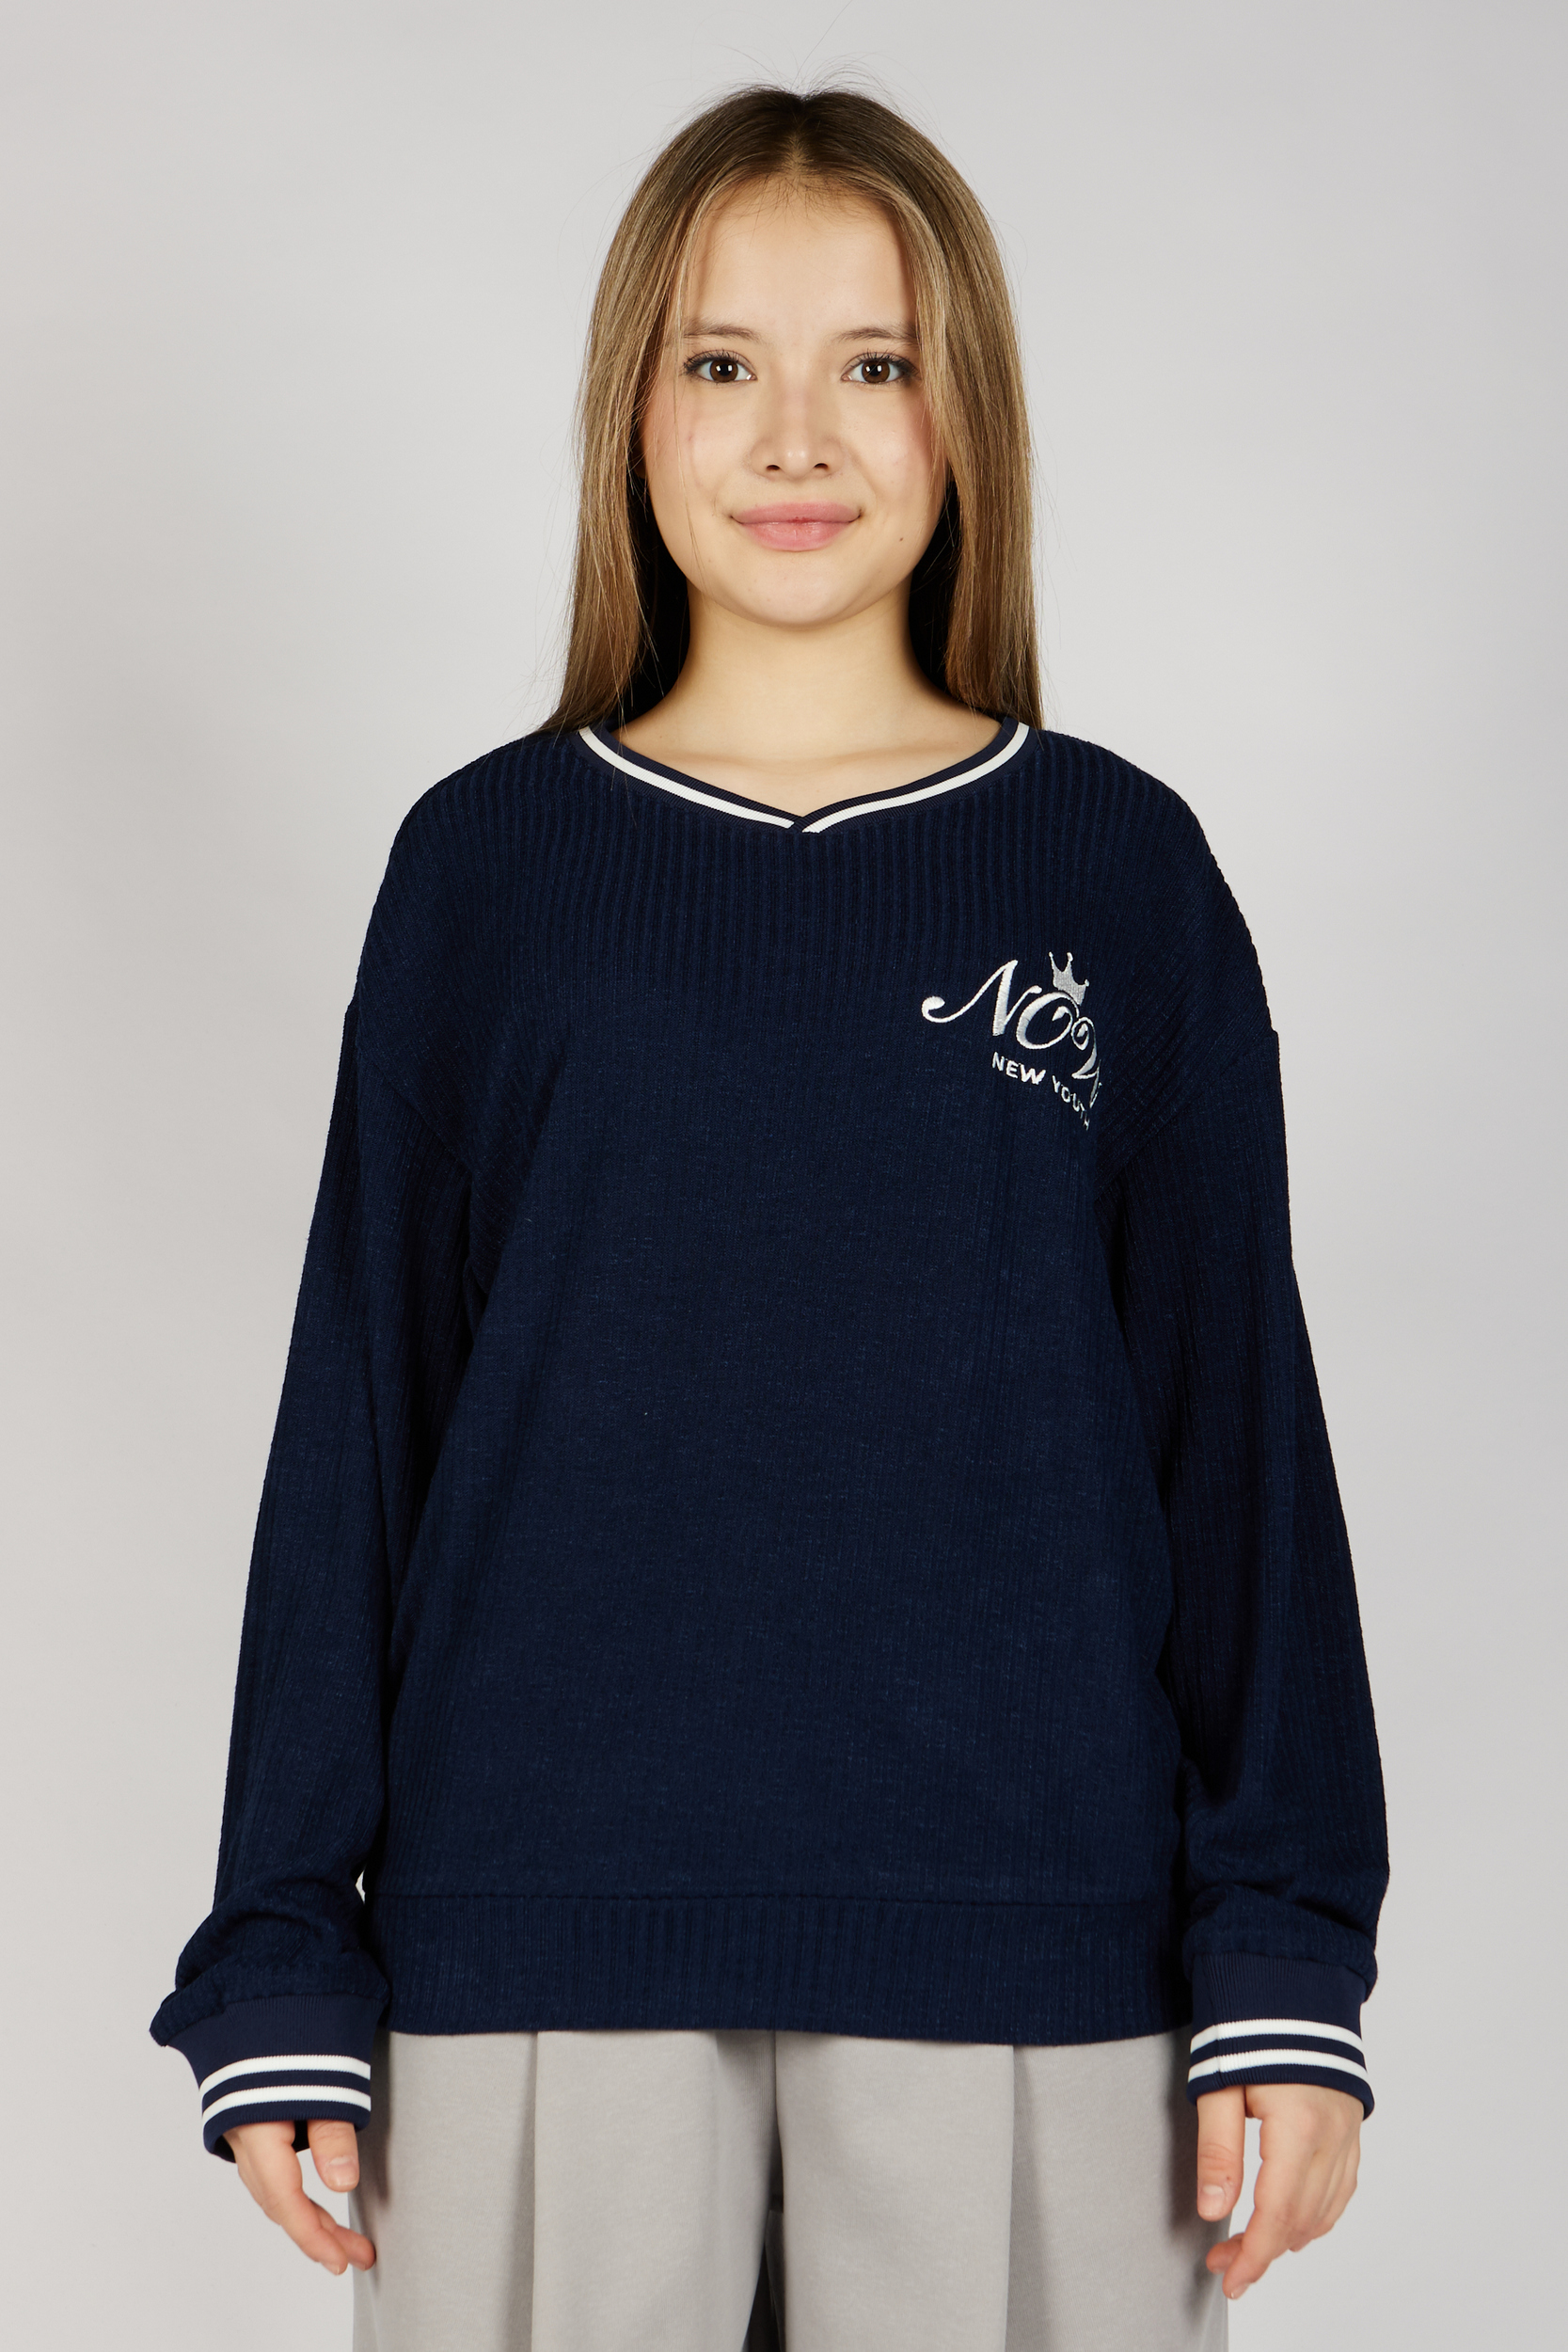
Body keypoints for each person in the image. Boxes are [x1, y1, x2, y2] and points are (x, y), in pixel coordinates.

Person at [151, 85, 1387, 2351]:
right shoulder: (486, 875)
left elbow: (1238, 1445)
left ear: (964, 412)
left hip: (1034, 1949)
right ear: (631, 407)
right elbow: (359, 1429)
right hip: (540, 1941)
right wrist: (282, 1940)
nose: (795, 434)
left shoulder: (1117, 874)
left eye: (875, 362)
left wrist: (1286, 1948)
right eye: (721, 360)